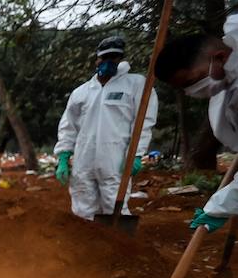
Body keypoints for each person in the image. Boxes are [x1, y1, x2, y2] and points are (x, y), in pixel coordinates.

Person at [53, 35, 158, 220]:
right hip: (83, 160)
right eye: (105, 57)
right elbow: (68, 126)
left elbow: (144, 122)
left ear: (121, 59)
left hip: (115, 160)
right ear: (97, 59)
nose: (109, 62)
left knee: (114, 207)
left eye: (114, 57)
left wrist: (136, 154)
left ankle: (116, 246)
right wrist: (63, 155)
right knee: (82, 209)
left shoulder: (136, 84)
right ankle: (85, 246)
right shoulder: (81, 92)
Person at [156, 13, 238, 233]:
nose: (192, 91)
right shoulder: (229, 84)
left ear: (219, 57)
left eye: (192, 81)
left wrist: (218, 208)